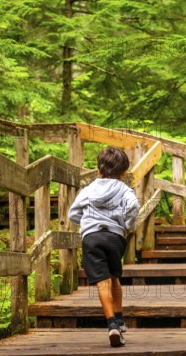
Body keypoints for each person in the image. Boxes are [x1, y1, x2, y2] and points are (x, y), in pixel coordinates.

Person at [69, 146, 140, 347]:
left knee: (102, 282)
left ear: (99, 168)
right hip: (114, 238)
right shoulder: (125, 190)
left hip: (92, 237)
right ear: (124, 172)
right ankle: (120, 319)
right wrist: (128, 226)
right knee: (115, 276)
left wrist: (85, 224)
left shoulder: (88, 190)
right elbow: (133, 206)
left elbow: (73, 213)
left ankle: (112, 325)